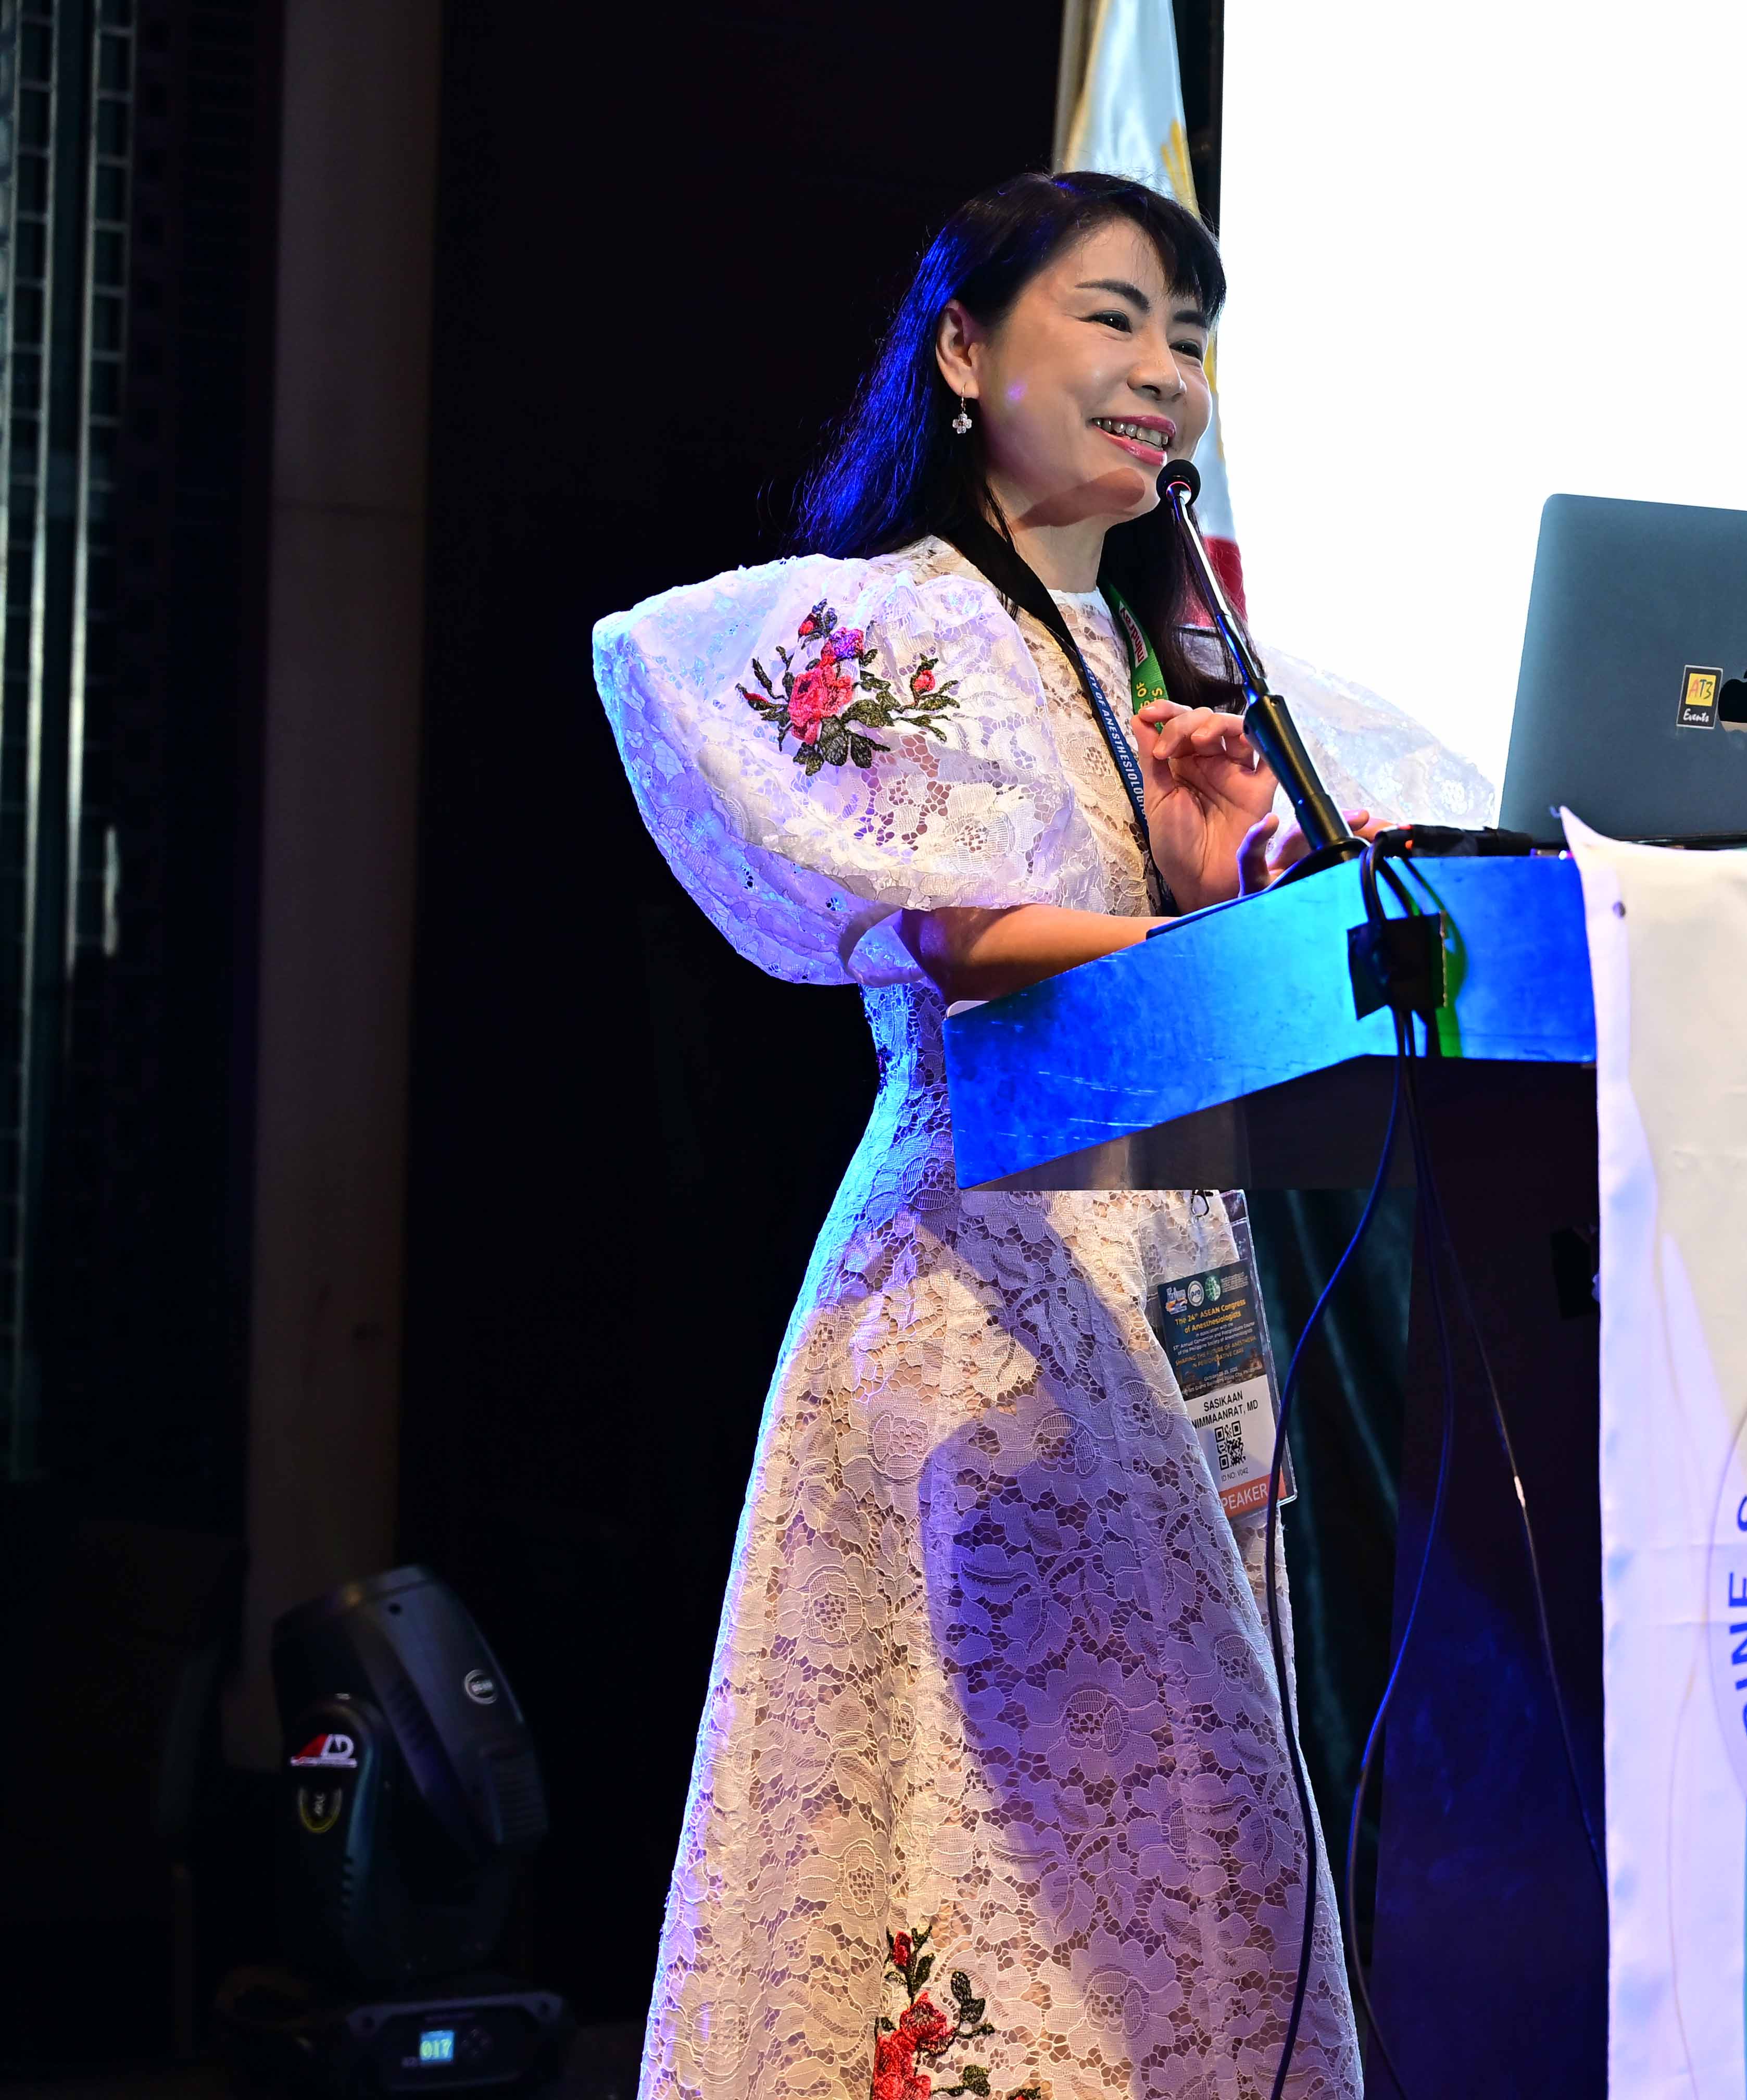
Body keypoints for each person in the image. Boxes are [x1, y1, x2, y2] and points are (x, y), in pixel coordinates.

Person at [594, 170, 1379, 2100]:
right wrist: (1223, 947)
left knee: (1174, 1811)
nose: (1164, 371)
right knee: (978, 1807)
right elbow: (962, 936)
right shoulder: (897, 625)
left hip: (1170, 1266)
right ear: (962, 352)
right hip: (977, 1276)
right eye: (1113, 317)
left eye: (1191, 338)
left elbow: (1167, 951)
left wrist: (1223, 869)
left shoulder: (1160, 664)